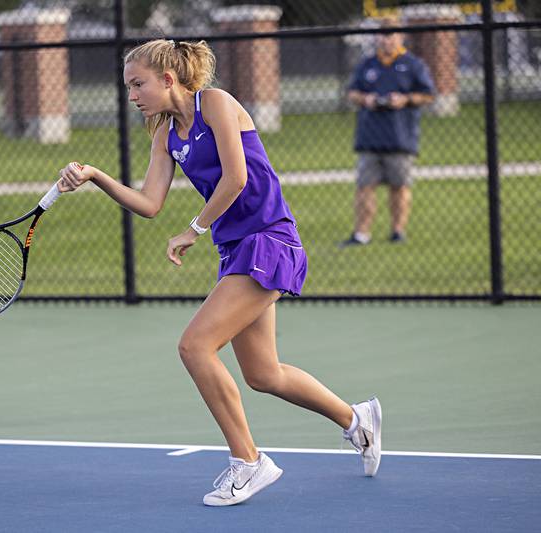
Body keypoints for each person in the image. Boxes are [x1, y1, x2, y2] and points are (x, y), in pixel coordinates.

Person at [57, 39, 381, 507]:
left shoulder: (216, 103)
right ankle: (357, 420)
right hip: (236, 251)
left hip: (270, 240)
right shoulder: (165, 134)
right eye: (129, 86)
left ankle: (248, 462)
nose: (131, 95)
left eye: (137, 84)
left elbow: (237, 178)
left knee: (194, 346)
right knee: (264, 373)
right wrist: (96, 176)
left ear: (168, 79)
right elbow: (149, 203)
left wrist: (193, 229)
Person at [341, 18, 435, 247]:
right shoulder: (367, 64)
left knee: (399, 186)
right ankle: (361, 234)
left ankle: (397, 231)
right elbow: (351, 93)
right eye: (383, 34)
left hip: (400, 136)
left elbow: (428, 94)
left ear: (400, 37)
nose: (387, 39)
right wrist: (366, 99)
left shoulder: (413, 64)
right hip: (370, 136)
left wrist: (405, 99)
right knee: (365, 186)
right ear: (377, 37)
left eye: (392, 34)